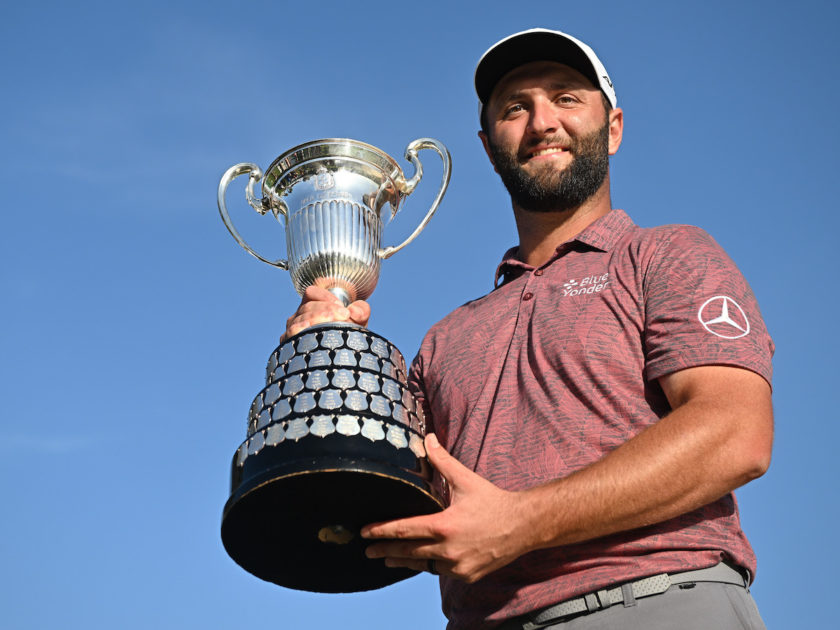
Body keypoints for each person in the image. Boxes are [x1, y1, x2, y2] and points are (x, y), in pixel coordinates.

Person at [284, 28, 774, 630]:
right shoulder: (443, 340)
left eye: (567, 98)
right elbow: (392, 488)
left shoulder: (667, 256)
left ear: (613, 128)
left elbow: (736, 433)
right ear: (490, 149)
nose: (543, 122)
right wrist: (332, 346)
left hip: (656, 600)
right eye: (516, 108)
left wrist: (523, 522)